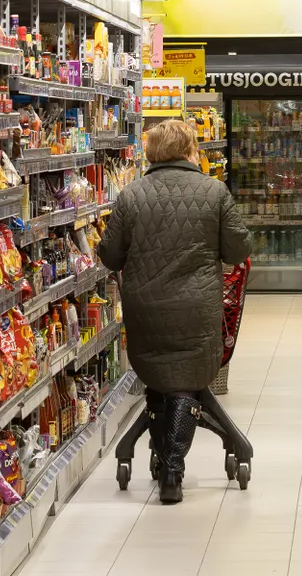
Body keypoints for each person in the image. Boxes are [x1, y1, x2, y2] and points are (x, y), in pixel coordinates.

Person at [98, 119, 252, 504]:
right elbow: (238, 250)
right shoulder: (214, 191)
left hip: (145, 309)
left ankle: (162, 454)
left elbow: (110, 255)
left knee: (160, 374)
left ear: (151, 153)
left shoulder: (131, 195)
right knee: (186, 378)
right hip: (196, 308)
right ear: (190, 150)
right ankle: (172, 470)